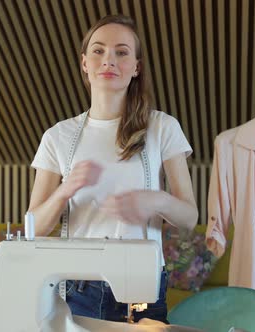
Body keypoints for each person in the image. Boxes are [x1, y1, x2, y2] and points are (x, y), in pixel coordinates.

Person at [28, 14, 198, 324]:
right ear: (84, 63)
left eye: (121, 52)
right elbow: (34, 228)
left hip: (142, 290)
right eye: (98, 50)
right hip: (78, 289)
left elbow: (190, 218)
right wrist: (64, 191)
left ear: (136, 67)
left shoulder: (162, 128)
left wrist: (157, 200)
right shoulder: (57, 137)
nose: (109, 60)